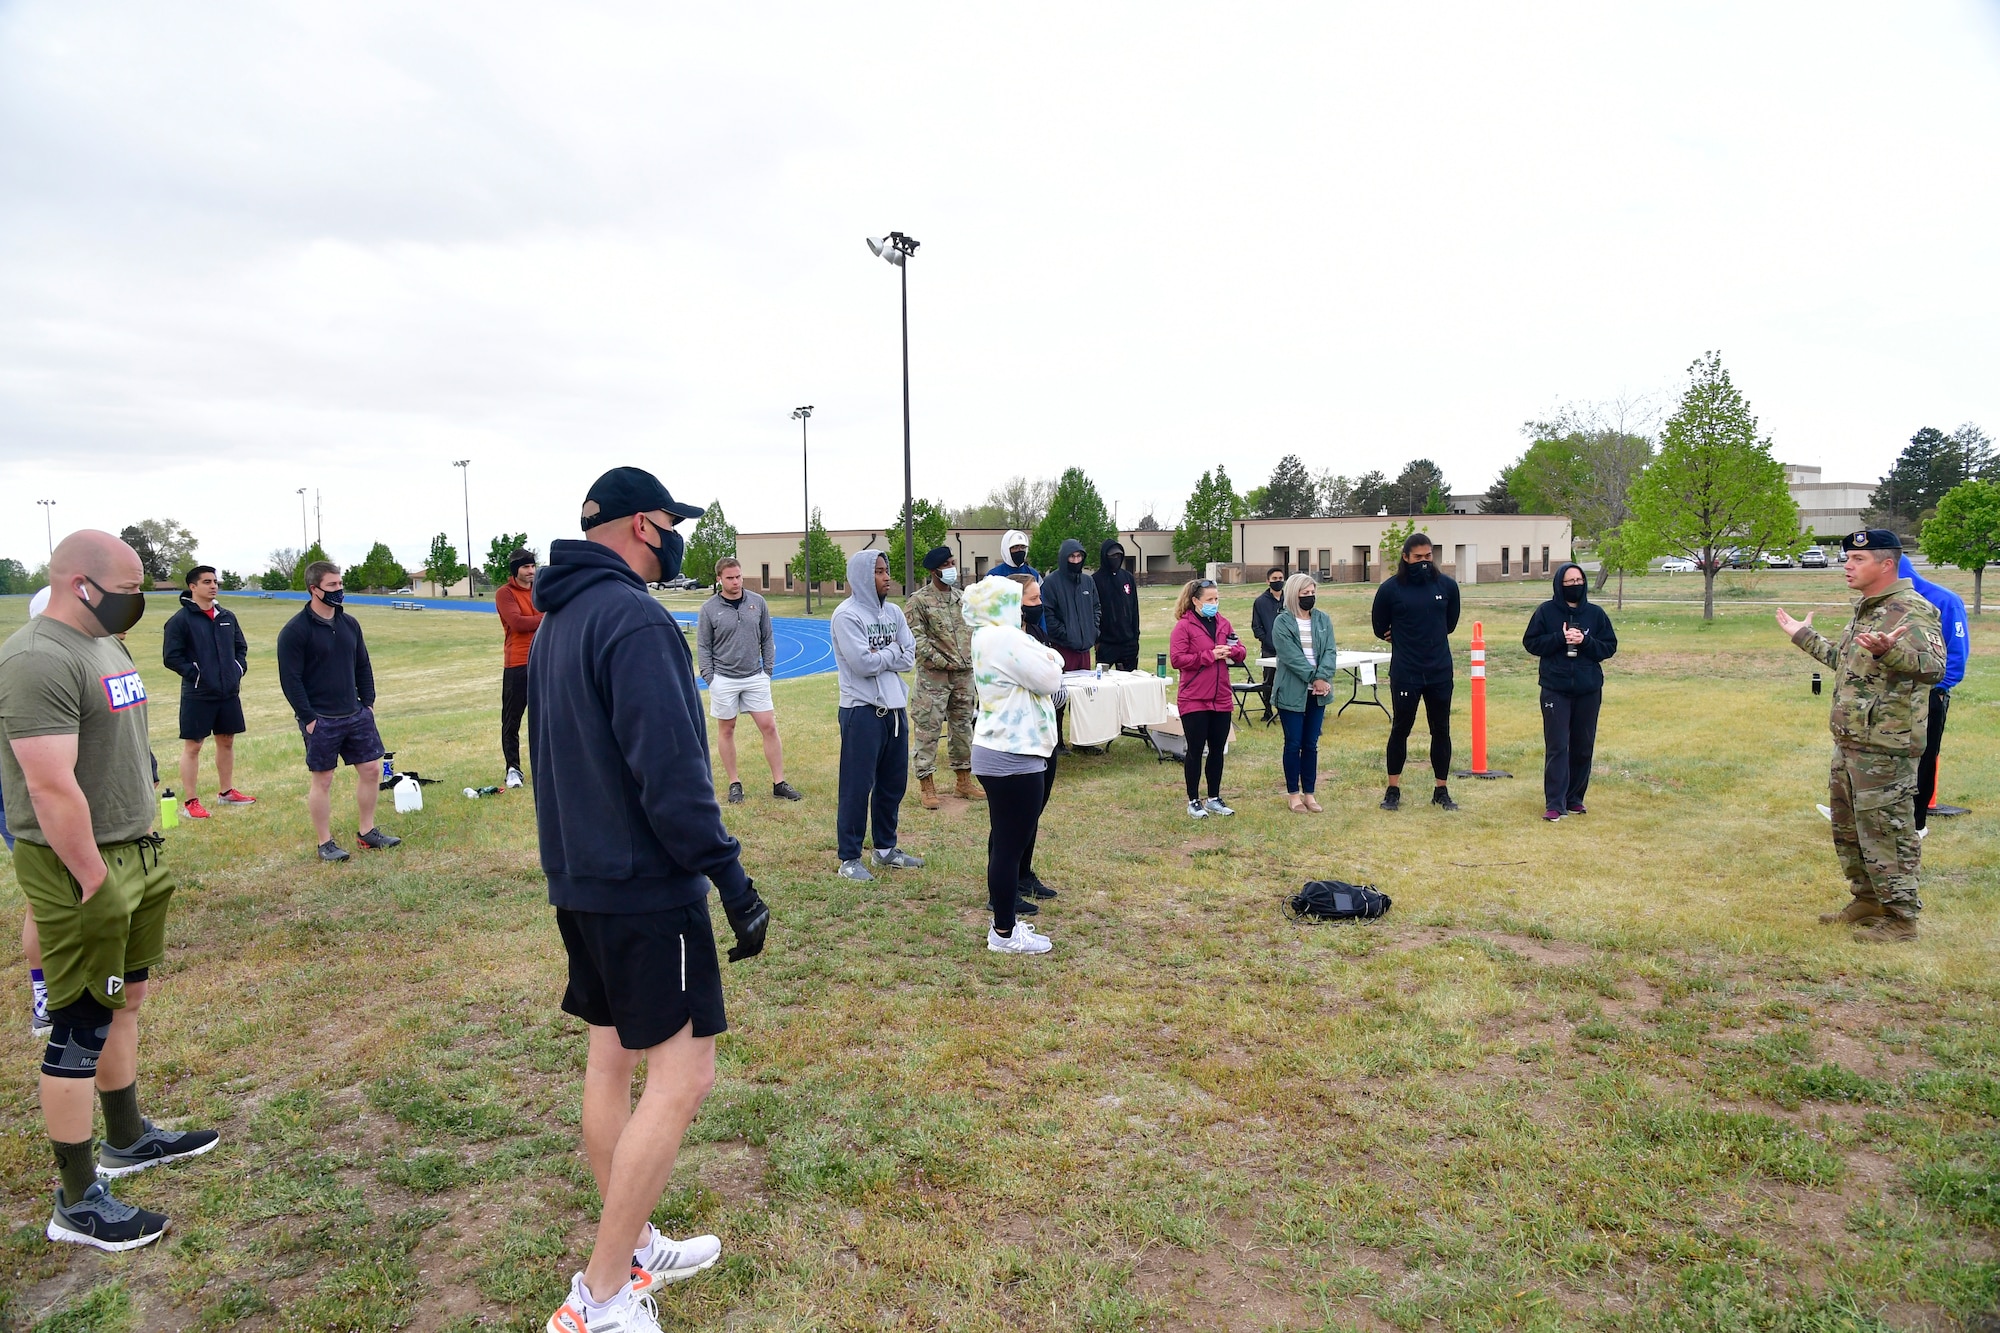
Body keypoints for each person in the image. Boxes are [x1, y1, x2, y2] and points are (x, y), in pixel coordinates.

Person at [528, 466, 771, 1332]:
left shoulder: (559, 614)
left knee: (612, 1060)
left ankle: (631, 1243)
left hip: (584, 879)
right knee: (682, 1073)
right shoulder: (632, 616)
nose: (677, 540)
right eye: (671, 525)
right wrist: (731, 880)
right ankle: (597, 1296)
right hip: (640, 887)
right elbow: (674, 776)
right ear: (642, 524)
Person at [0, 530, 219, 1252]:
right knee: (79, 1024)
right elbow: (49, 783)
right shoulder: (37, 658)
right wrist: (94, 877)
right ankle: (76, 1198)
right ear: (80, 583)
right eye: (128, 586)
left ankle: (127, 1137)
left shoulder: (105, 644)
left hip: (136, 850)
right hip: (80, 867)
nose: (139, 598)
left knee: (126, 997)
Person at [1777, 529, 1944, 943]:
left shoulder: (1911, 610)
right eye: (1847, 558)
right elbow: (1848, 663)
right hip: (1852, 741)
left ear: (1886, 564)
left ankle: (1902, 918)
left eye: (1857, 559)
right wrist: (1804, 636)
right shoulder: (1869, 609)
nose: (1847, 565)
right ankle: (1868, 900)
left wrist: (1891, 650)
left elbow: (1933, 667)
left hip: (1886, 746)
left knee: (1888, 830)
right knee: (1850, 829)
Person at [275, 561, 401, 862]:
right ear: (313, 589)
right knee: (324, 779)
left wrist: (367, 703)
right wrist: (308, 718)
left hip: (355, 713)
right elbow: (290, 679)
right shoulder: (295, 631)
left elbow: (362, 665)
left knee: (371, 770)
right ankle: (325, 843)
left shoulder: (349, 624)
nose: (339, 590)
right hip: (320, 718)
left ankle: (367, 832)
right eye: (332, 586)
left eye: (340, 584)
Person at [965, 576, 1062, 954]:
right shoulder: (1005, 638)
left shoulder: (984, 635)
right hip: (1014, 753)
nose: (1023, 607)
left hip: (997, 748)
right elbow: (1050, 676)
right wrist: (1050, 656)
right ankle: (1003, 931)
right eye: (1016, 601)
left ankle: (1005, 923)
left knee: (1005, 841)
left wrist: (1045, 657)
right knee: (1009, 845)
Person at [830, 549, 923, 882]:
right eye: (880, 572)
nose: (887, 577)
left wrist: (884, 653)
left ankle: (885, 849)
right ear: (862, 576)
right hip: (861, 712)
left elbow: (909, 656)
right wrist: (892, 652)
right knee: (857, 786)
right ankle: (849, 858)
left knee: (892, 784)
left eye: (887, 571)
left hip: (895, 710)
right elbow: (861, 664)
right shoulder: (847, 616)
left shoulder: (895, 612)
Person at [696, 557, 800, 805]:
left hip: (755, 677)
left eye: (739, 576)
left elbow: (767, 637)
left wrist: (768, 670)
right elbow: (703, 645)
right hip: (723, 678)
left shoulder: (758, 602)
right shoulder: (709, 609)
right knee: (727, 729)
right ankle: (734, 783)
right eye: (730, 577)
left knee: (769, 726)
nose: (736, 581)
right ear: (719, 579)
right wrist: (711, 678)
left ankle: (779, 782)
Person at [1372, 532, 1463, 812]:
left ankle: (1441, 789)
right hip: (1406, 671)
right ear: (1405, 558)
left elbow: (1450, 624)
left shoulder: (1447, 586)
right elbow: (1379, 627)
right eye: (1417, 558)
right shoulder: (1390, 589)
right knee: (1401, 728)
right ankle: (1393, 789)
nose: (1423, 562)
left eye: (1428, 557)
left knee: (1441, 730)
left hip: (1438, 670)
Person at [1523, 562, 1618, 821]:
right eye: (1569, 582)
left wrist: (1585, 641)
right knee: (1558, 745)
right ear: (1559, 585)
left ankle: (1575, 798)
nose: (1575, 586)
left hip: (1588, 689)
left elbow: (1609, 647)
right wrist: (1559, 639)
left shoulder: (1595, 614)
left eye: (1579, 581)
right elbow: (1531, 643)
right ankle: (1554, 803)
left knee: (1583, 746)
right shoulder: (1546, 612)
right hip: (1556, 688)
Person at [161, 565, 254, 820]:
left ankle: (226, 793)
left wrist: (237, 668)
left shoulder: (227, 616)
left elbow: (240, 648)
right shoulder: (180, 620)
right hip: (198, 694)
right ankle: (191, 802)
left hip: (228, 692)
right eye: (206, 582)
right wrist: (197, 675)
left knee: (227, 740)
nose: (213, 586)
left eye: (215, 581)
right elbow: (171, 657)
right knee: (194, 746)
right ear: (193, 587)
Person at [904, 546, 982, 810]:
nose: (952, 568)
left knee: (963, 728)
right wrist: (944, 662)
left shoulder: (962, 599)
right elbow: (917, 641)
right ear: (934, 570)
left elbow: (974, 633)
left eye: (952, 563)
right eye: (947, 564)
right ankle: (927, 785)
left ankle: (963, 781)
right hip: (934, 679)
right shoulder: (919, 602)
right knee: (928, 730)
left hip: (964, 676)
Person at [1896, 554, 1968, 836]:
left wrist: (1937, 689)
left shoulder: (1944, 600)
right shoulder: (1882, 602)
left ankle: (1917, 823)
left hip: (1928, 694)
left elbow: (1957, 652)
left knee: (1922, 758)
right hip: (1892, 695)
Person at [1168, 580, 1245, 818]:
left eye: (1217, 599)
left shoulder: (1223, 623)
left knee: (1217, 750)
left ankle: (1214, 797)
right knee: (1195, 749)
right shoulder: (1184, 627)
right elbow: (1178, 659)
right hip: (1194, 698)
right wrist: (1208, 656)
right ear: (1195, 601)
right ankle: (1193, 800)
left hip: (1220, 696)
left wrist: (1230, 651)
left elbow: (1240, 651)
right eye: (1209, 600)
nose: (1214, 603)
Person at [1271, 573, 1336, 813]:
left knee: (1311, 744)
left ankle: (1310, 793)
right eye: (1304, 593)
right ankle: (1293, 795)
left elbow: (1330, 651)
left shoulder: (1323, 620)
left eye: (1312, 593)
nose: (1310, 597)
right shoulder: (1283, 622)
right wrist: (1314, 678)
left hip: (1318, 693)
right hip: (1291, 691)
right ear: (1293, 594)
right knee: (1293, 743)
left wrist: (1323, 678)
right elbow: (1291, 657)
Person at [495, 548, 541, 790]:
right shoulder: (505, 594)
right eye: (526, 567)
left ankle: (544, 766)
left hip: (543, 659)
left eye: (533, 566)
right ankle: (513, 769)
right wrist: (549, 615)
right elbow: (518, 623)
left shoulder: (541, 589)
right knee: (512, 721)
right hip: (518, 663)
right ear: (516, 570)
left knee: (545, 717)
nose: (531, 571)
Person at [1039, 539, 1100, 674]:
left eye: (1079, 556)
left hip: (1085, 650)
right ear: (1064, 558)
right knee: (1066, 691)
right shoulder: (1051, 583)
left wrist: (1092, 630)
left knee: (1086, 691)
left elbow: (1096, 608)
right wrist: (1068, 634)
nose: (1076, 560)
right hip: (1063, 650)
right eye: (1072, 556)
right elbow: (1048, 615)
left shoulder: (1088, 581)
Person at [1092, 538, 1141, 672]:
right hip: (1106, 644)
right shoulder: (1095, 580)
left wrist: (1135, 638)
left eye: (1119, 555)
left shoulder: (1127, 578)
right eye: (1112, 556)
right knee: (1103, 684)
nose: (1116, 558)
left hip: (1128, 642)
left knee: (1129, 684)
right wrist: (1097, 641)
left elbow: (1134, 609)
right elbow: (1093, 612)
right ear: (1105, 556)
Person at [1249, 566, 1288, 722]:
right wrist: (1266, 640)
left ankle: (1286, 709)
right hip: (1269, 649)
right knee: (1268, 681)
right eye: (1274, 579)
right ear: (1268, 581)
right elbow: (1256, 626)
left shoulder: (1290, 599)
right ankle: (1267, 710)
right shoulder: (1260, 602)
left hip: (1288, 648)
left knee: (1288, 680)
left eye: (1280, 579)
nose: (1278, 582)